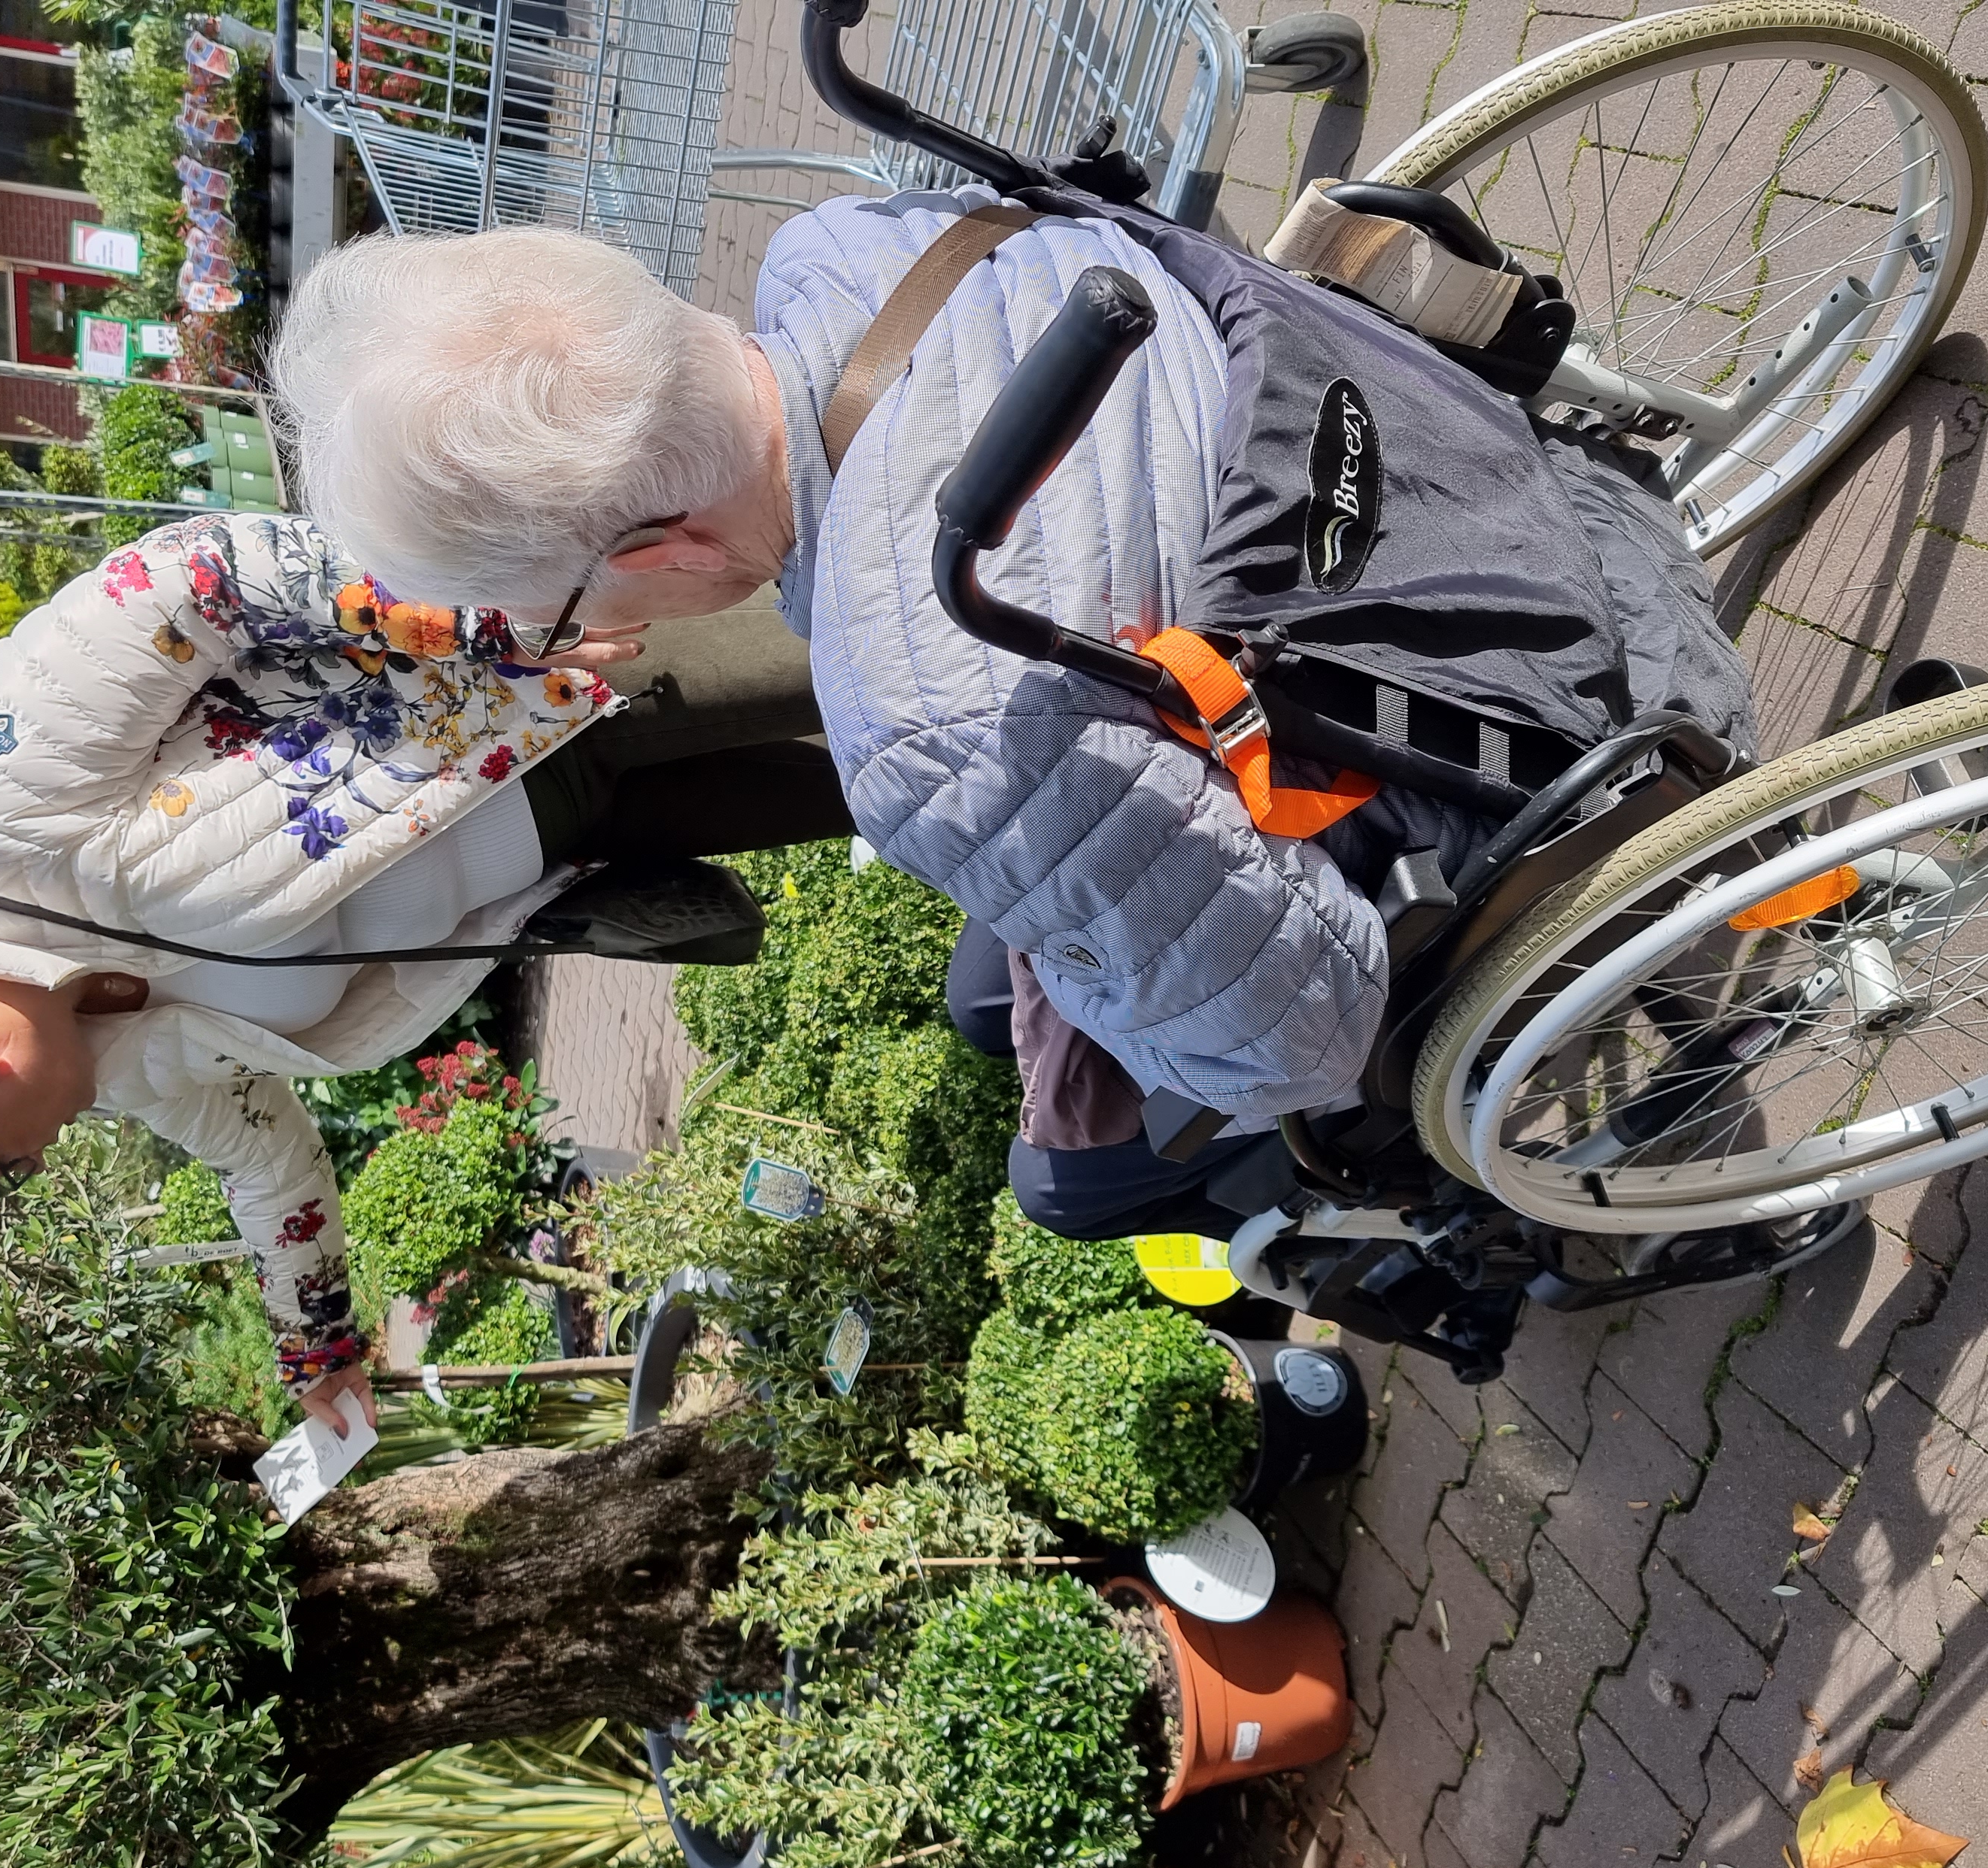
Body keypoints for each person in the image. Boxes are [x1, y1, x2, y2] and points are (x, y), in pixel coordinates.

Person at [266, 188, 1750, 1236]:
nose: (594, 630)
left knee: (1076, 1182)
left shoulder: (923, 724)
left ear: (658, 551)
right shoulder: (851, 244)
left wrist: (1081, 972)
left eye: (571, 598)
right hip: (1469, 459)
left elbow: (1298, 1033)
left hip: (1563, 736)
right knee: (998, 991)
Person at [0, 512, 843, 1434]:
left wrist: (477, 623)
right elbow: (266, 1170)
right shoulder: (126, 1067)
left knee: (885, 629)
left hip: (554, 673)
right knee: (901, 766)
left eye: (8, 1167)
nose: (41, 1160)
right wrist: (317, 1348)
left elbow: (196, 578)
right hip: (587, 842)